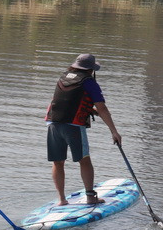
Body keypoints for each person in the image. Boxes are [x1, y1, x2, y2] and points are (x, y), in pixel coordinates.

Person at [45, 53, 122, 206]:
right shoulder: (89, 82)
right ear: (91, 69)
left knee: (58, 162)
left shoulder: (64, 76)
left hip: (53, 122)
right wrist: (114, 131)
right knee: (84, 160)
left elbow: (66, 101)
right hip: (73, 126)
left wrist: (90, 110)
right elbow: (103, 108)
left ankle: (61, 200)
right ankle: (90, 197)